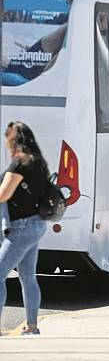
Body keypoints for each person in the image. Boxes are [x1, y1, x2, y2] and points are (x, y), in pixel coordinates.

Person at [0, 122, 49, 335]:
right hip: (36, 224)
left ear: (14, 140)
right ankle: (32, 327)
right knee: (28, 278)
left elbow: (3, 194)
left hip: (22, 227)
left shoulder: (20, 163)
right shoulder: (39, 163)